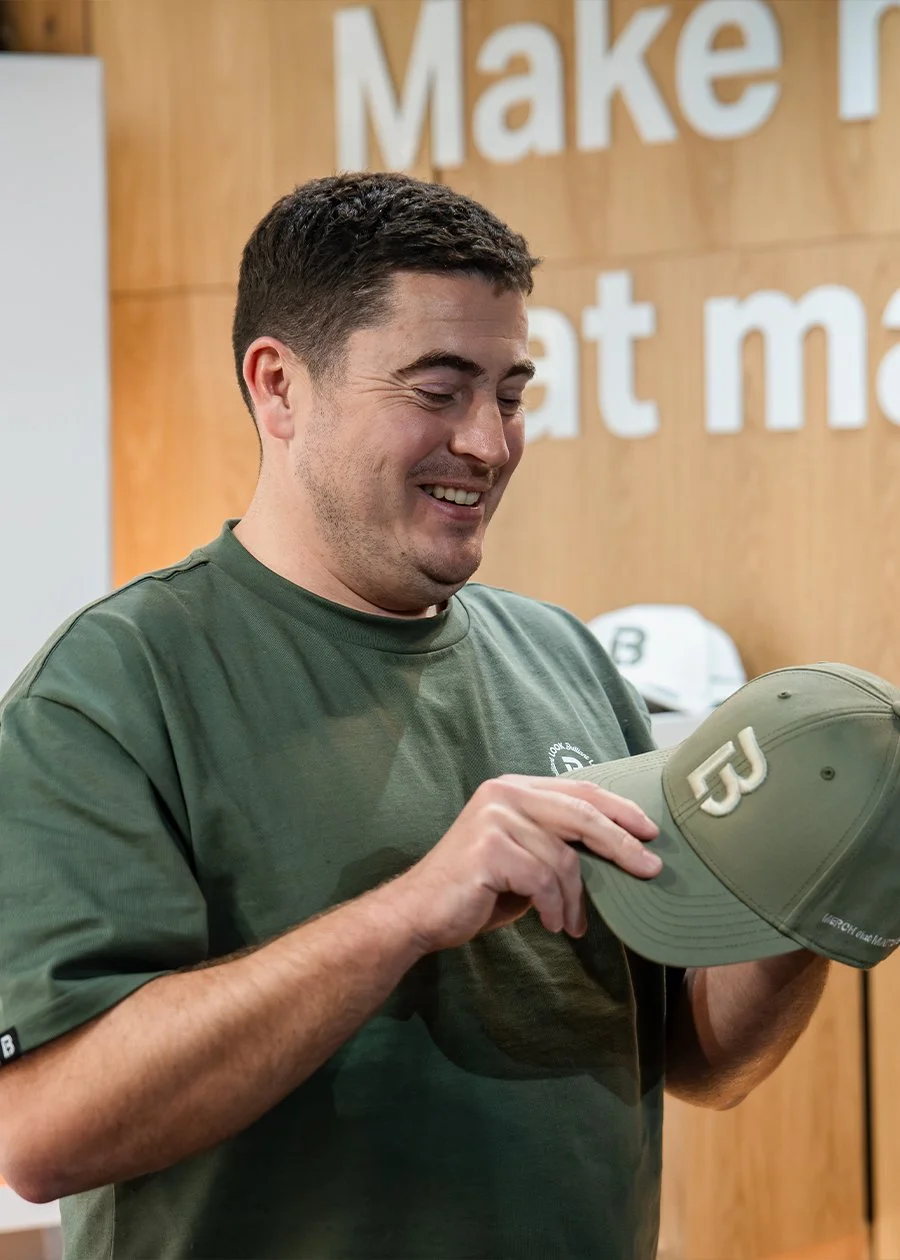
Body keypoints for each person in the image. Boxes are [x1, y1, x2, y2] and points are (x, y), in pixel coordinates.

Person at [0, 172, 828, 1260]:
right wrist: (409, 913)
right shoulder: (110, 691)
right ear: (279, 387)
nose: (488, 442)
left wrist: (809, 891)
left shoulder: (566, 658)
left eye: (511, 394)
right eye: (438, 391)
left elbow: (694, 1060)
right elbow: (42, 1131)